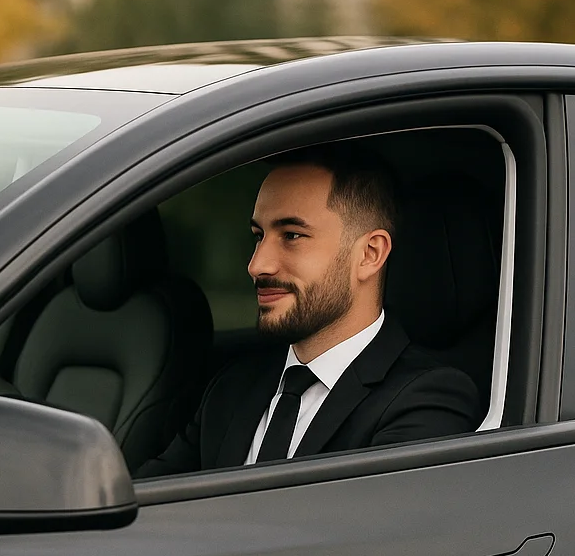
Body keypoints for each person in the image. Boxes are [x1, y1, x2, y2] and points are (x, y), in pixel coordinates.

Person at [138, 145, 481, 477]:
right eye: (259, 235)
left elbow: (371, 532)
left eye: (292, 235)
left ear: (370, 254)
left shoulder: (427, 398)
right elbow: (144, 509)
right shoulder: (232, 387)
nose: (257, 265)